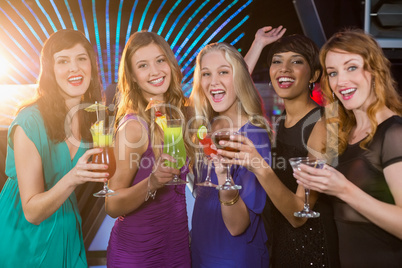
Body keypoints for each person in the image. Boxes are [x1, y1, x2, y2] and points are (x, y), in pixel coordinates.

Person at [218, 32, 340, 267]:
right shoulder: (280, 122)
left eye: (296, 61)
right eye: (277, 61)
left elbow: (299, 216)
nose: (284, 68)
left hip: (311, 252)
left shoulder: (324, 126)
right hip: (279, 247)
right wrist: (258, 44)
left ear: (314, 74)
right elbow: (232, 86)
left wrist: (258, 167)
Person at [293, 29, 402, 267]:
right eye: (333, 73)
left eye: (351, 67)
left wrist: (343, 189)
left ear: (374, 70)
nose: (341, 82)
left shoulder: (394, 133)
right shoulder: (345, 134)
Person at [0, 29, 106, 267]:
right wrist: (74, 177)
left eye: (81, 58)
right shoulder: (29, 120)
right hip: (22, 233)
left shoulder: (91, 117)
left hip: (65, 224)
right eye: (63, 61)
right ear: (50, 70)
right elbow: (32, 212)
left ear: (91, 65)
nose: (74, 68)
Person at [105, 31, 195, 267]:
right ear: (133, 77)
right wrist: (152, 183)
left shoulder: (178, 114)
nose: (155, 71)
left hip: (176, 248)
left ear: (170, 63)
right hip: (137, 253)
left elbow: (220, 84)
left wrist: (257, 44)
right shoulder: (134, 127)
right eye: (143, 65)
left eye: (160, 60)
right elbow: (112, 204)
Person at [189, 42, 271, 267]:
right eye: (206, 74)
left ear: (240, 77)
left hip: (233, 258)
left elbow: (238, 226)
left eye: (223, 72)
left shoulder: (254, 136)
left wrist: (224, 177)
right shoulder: (207, 128)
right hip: (199, 250)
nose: (213, 81)